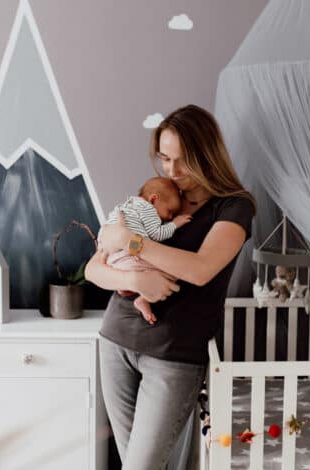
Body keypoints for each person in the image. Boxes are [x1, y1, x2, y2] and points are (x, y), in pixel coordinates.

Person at [84, 104, 256, 469]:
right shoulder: (153, 198)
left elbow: (200, 269)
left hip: (174, 356)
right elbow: (94, 270)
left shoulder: (234, 207)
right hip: (116, 341)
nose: (172, 171)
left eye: (183, 161)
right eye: (164, 158)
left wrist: (132, 242)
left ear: (207, 156)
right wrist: (133, 278)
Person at [101, 176, 192, 324]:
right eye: (169, 211)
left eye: (172, 216)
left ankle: (126, 287)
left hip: (113, 258)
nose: (169, 217)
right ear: (154, 199)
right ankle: (143, 299)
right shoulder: (148, 209)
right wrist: (175, 224)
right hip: (129, 255)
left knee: (145, 271)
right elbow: (156, 234)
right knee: (173, 272)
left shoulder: (127, 205)